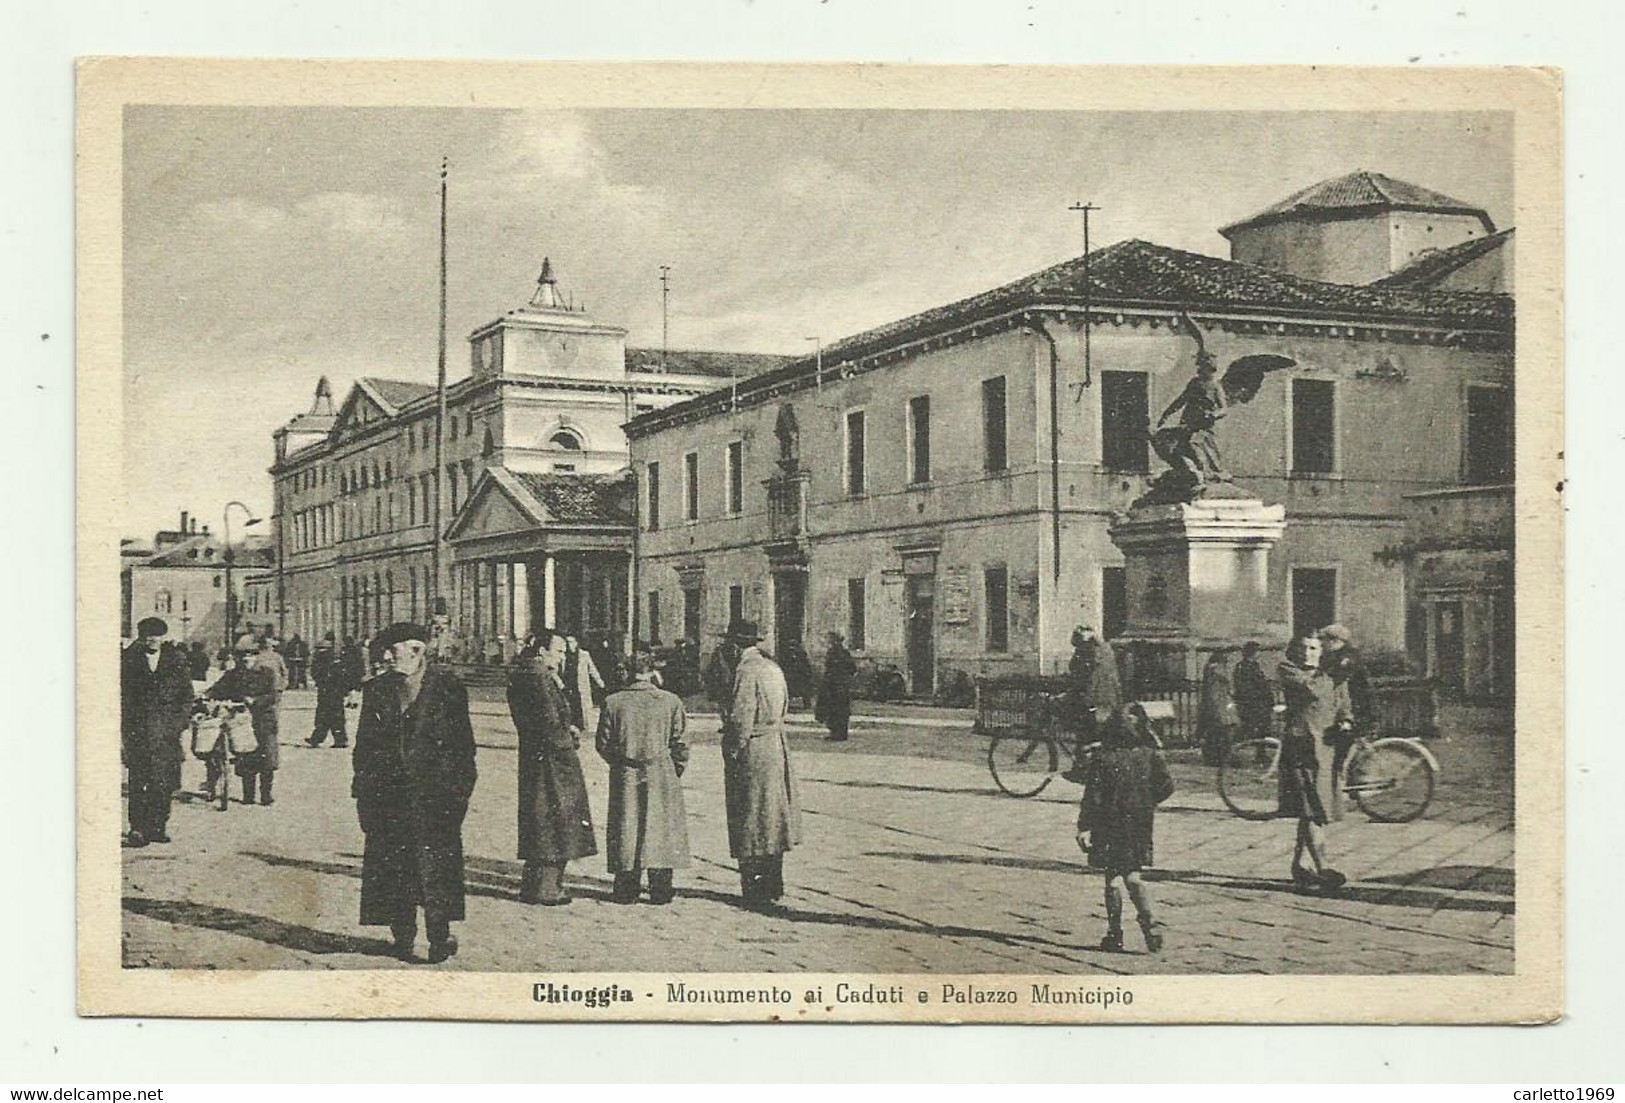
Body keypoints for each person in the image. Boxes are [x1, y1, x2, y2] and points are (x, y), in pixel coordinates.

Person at [352, 622, 477, 963]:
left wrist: (459, 796)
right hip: (388, 798)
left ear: (418, 651)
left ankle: (439, 938)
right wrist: (363, 794)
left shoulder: (448, 688)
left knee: (436, 870)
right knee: (394, 869)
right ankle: (402, 936)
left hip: (436, 799)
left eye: (394, 650)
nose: (386, 656)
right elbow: (364, 747)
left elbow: (463, 748)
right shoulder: (377, 690)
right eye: (385, 651)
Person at [508, 629, 597, 906]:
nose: (561, 657)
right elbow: (548, 723)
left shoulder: (528, 674)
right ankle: (548, 889)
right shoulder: (539, 678)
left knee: (541, 822)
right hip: (552, 764)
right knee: (555, 823)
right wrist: (568, 735)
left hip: (537, 759)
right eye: (557, 651)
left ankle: (534, 885)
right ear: (542, 650)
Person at [1077, 705, 1175, 953]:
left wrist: (1085, 826)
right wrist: (1146, 802)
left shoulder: (1102, 759)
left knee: (1112, 880)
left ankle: (1115, 934)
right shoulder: (1150, 755)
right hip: (1139, 823)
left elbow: (1092, 798)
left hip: (1108, 824)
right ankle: (1149, 924)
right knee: (1133, 876)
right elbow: (1166, 786)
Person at [595, 651, 690, 905]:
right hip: (661, 771)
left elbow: (603, 744)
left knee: (626, 827)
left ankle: (626, 888)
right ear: (651, 671)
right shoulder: (670, 701)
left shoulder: (613, 702)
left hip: (626, 773)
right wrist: (672, 769)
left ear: (627, 671)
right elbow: (680, 743)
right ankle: (661, 888)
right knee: (660, 829)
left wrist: (621, 764)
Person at [720, 619, 802, 909]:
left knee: (751, 816)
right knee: (773, 817)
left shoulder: (745, 671)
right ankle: (774, 882)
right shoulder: (773, 668)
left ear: (735, 644)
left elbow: (741, 720)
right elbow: (785, 706)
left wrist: (731, 750)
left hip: (754, 749)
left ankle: (755, 889)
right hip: (776, 746)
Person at [1278, 635, 1353, 895]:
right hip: (1302, 747)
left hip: (1327, 747)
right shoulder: (1289, 670)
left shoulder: (1329, 674)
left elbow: (1342, 702)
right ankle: (1323, 867)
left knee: (1313, 807)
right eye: (1303, 648)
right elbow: (1312, 690)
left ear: (1321, 652)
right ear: (1294, 651)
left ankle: (1300, 864)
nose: (1308, 653)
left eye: (1313, 648)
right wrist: (1335, 672)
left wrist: (1346, 720)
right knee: (1313, 809)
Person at [121, 618, 192, 847]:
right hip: (138, 733)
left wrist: (178, 725)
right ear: (142, 638)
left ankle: (158, 826)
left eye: (156, 635)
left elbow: (186, 697)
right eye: (147, 636)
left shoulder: (176, 661)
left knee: (163, 782)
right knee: (138, 781)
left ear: (163, 637)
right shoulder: (129, 661)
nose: (152, 639)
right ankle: (137, 829)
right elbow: (121, 698)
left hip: (167, 734)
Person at [204, 635, 280, 805]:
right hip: (241, 721)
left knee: (267, 758)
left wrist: (255, 701)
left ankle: (266, 794)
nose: (246, 659)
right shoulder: (232, 675)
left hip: (263, 721)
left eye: (251, 655)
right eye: (243, 656)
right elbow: (217, 689)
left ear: (256, 656)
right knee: (246, 757)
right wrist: (206, 695)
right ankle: (248, 795)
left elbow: (272, 695)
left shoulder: (266, 673)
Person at [1152, 349, 1228, 490]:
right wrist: (1166, 413)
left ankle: (1205, 477)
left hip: (1203, 426)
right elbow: (1181, 400)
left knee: (1194, 444)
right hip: (1188, 422)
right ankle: (1190, 474)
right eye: (1200, 368)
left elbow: (1224, 409)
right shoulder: (1194, 383)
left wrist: (1214, 414)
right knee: (1174, 445)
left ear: (1211, 369)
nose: (1200, 371)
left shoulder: (1216, 386)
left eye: (1204, 368)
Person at [1318, 623, 1374, 811]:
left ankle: (1336, 802)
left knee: (1336, 757)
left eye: (1323, 640)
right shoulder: (1338, 655)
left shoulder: (1347, 658)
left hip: (1356, 711)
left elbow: (1335, 680)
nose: (1320, 643)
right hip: (1350, 709)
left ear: (1335, 641)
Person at [1061, 626, 1122, 784]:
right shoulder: (1105, 649)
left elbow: (1081, 679)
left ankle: (1082, 770)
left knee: (1084, 732)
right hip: (1109, 698)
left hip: (1095, 698)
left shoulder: (1086, 653)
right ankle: (1090, 768)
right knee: (1096, 732)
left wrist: (1066, 694)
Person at [1197, 649, 1241, 767]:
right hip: (1220, 706)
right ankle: (1221, 756)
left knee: (1219, 732)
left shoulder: (1212, 673)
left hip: (1220, 705)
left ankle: (1219, 756)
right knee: (1221, 732)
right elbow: (1217, 693)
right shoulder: (1216, 673)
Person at [307, 631, 350, 748]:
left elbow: (315, 671)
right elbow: (343, 674)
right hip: (336, 689)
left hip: (325, 689)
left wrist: (318, 682)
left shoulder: (320, 655)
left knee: (324, 713)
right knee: (336, 714)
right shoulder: (338, 655)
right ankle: (339, 739)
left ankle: (318, 738)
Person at [816, 631, 858, 742]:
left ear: (833, 641)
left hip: (832, 686)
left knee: (833, 709)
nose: (827, 642)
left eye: (829, 640)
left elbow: (829, 669)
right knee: (842, 710)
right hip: (843, 686)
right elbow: (853, 669)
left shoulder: (832, 652)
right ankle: (842, 733)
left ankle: (835, 733)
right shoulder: (845, 653)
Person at [562, 634, 606, 739]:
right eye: (567, 642)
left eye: (571, 642)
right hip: (568, 687)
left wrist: (600, 682)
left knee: (583, 709)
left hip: (581, 686)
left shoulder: (584, 655)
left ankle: (584, 730)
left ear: (576, 643)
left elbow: (592, 669)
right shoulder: (564, 656)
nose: (569, 645)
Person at [1232, 641, 1275, 746]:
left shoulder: (1252, 665)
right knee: (1250, 728)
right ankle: (1235, 751)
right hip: (1253, 703)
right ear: (1253, 652)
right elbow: (1245, 686)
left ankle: (1260, 753)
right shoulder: (1245, 667)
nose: (1259, 654)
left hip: (1258, 703)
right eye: (1257, 651)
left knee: (1260, 729)